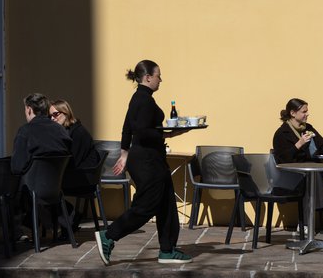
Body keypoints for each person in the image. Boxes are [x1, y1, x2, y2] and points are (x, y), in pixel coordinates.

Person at [95, 59, 192, 265]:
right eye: (158, 76)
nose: (161, 80)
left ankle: (167, 250)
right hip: (147, 161)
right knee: (146, 206)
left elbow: (127, 128)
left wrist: (124, 153)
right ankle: (109, 235)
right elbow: (142, 131)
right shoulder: (143, 100)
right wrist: (169, 133)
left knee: (166, 204)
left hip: (151, 159)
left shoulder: (140, 98)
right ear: (148, 77)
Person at [272, 98, 323, 228]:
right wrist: (298, 144)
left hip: (308, 174)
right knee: (311, 173)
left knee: (311, 172)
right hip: (290, 176)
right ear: (293, 113)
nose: (307, 114)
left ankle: (306, 225)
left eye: (307, 111)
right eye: (304, 111)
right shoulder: (281, 134)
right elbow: (282, 159)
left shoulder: (308, 129)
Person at [11, 93, 73, 239]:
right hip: (56, 190)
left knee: (12, 187)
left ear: (29, 110)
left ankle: (20, 230)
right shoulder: (61, 131)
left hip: (31, 192)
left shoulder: (25, 131)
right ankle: (46, 224)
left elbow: (16, 167)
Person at [50, 99, 100, 170]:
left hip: (84, 174)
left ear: (66, 113)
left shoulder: (78, 132)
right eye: (50, 116)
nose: (52, 118)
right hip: (72, 172)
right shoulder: (64, 131)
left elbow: (74, 161)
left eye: (55, 114)